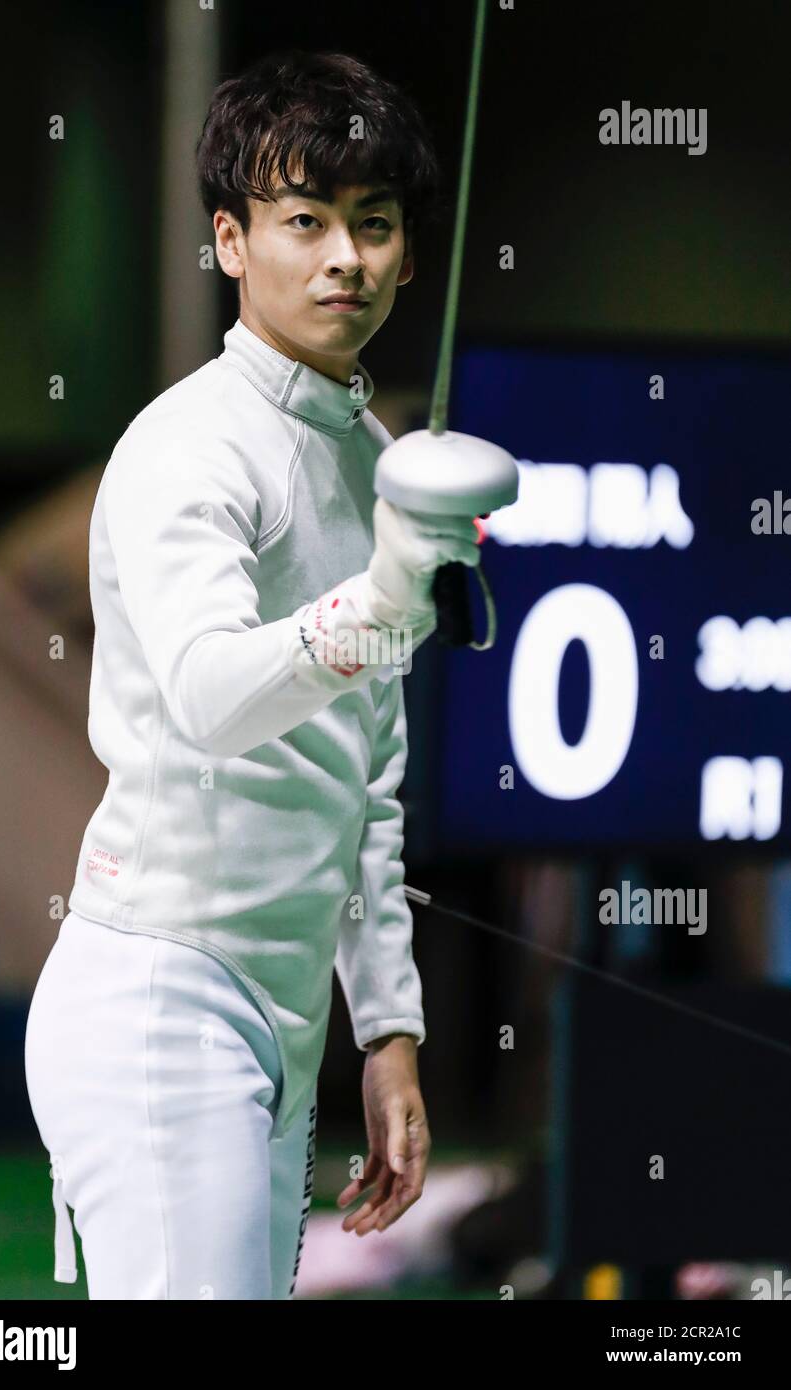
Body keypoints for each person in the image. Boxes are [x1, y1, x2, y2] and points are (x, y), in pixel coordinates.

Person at [24, 47, 482, 1300]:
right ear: (230, 241)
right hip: (160, 1003)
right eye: (304, 221)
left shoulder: (372, 458)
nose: (346, 255)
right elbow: (215, 699)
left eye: (373, 224)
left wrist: (385, 1029)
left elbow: (363, 779)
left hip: (281, 1021)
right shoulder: (187, 449)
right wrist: (390, 593)